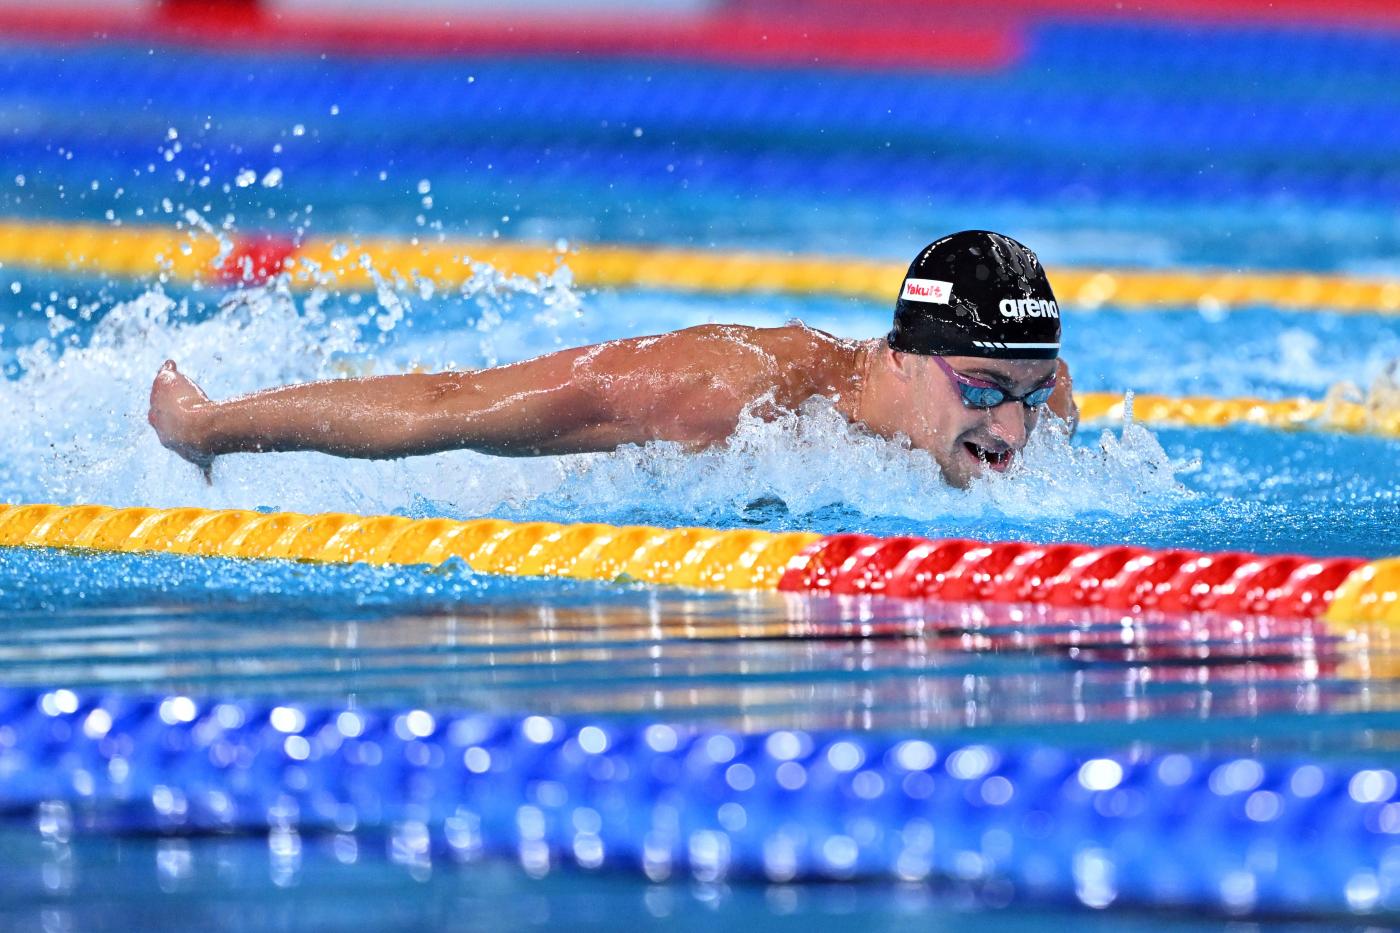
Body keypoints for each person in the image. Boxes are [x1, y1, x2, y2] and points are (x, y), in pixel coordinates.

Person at [149, 230, 1077, 489]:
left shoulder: (1036, 398)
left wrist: (1025, 393)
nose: (1012, 429)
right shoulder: (730, 394)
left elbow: (1033, 395)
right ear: (906, 358)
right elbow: (446, 404)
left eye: (1030, 394)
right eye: (985, 390)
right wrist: (206, 427)